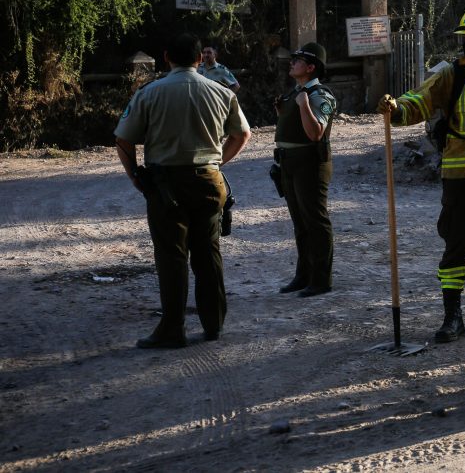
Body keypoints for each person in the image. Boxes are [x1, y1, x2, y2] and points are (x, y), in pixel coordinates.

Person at [377, 7, 465, 343]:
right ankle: (453, 317)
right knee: (456, 247)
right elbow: (420, 100)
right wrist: (396, 109)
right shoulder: (451, 75)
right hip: (459, 176)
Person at [114, 33, 251, 348]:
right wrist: (218, 163)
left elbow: (123, 140)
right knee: (208, 251)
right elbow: (243, 135)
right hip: (208, 180)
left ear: (166, 57)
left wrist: (135, 175)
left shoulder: (148, 93)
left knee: (171, 256)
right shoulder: (221, 92)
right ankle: (214, 324)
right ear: (200, 59)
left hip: (165, 185)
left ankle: (172, 329)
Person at [275, 42, 337, 297]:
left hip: (310, 163)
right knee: (300, 222)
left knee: (315, 221)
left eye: (298, 60)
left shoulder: (320, 95)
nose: (292, 62)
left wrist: (303, 105)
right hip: (289, 162)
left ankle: (321, 279)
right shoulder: (295, 93)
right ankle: (304, 275)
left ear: (311, 67)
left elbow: (315, 133)